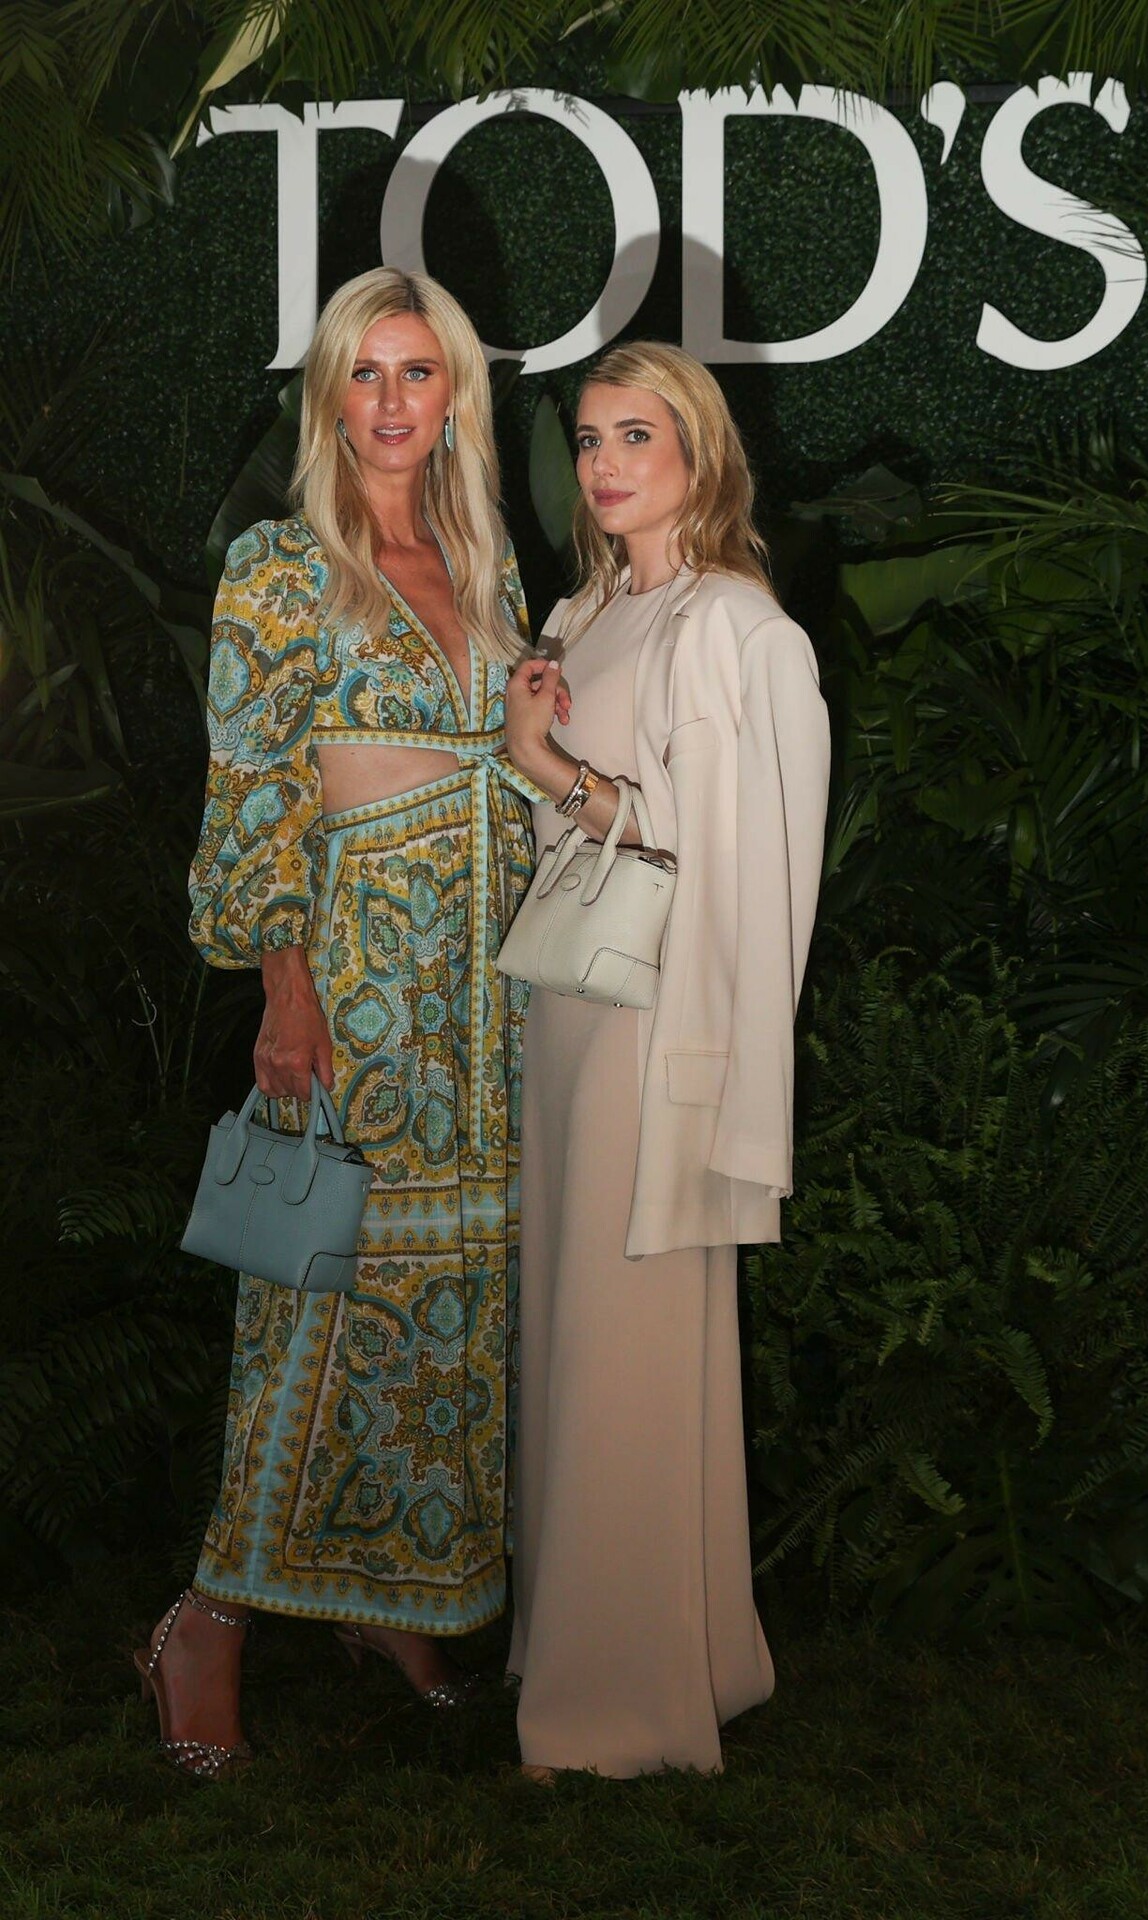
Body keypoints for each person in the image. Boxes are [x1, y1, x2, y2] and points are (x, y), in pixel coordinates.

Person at [136, 267, 556, 1778]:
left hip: (483, 994)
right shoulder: (281, 566)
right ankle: (207, 1623)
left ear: (456, 395)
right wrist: (285, 986)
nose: (391, 401)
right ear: (329, 396)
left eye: (418, 372)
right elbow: (254, 788)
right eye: (364, 373)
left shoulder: (485, 560)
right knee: (311, 1296)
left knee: (450, 1314)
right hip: (357, 985)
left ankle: (389, 1602)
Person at [503, 342, 830, 1779]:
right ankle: (655, 1657)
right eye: (589, 438)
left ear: (701, 453)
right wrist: (549, 754)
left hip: (653, 1028)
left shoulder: (738, 625)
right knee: (581, 1341)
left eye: (638, 435)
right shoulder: (589, 609)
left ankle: (618, 1705)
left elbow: (733, 851)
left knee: (627, 1346)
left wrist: (552, 769)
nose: (603, 464)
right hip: (573, 1012)